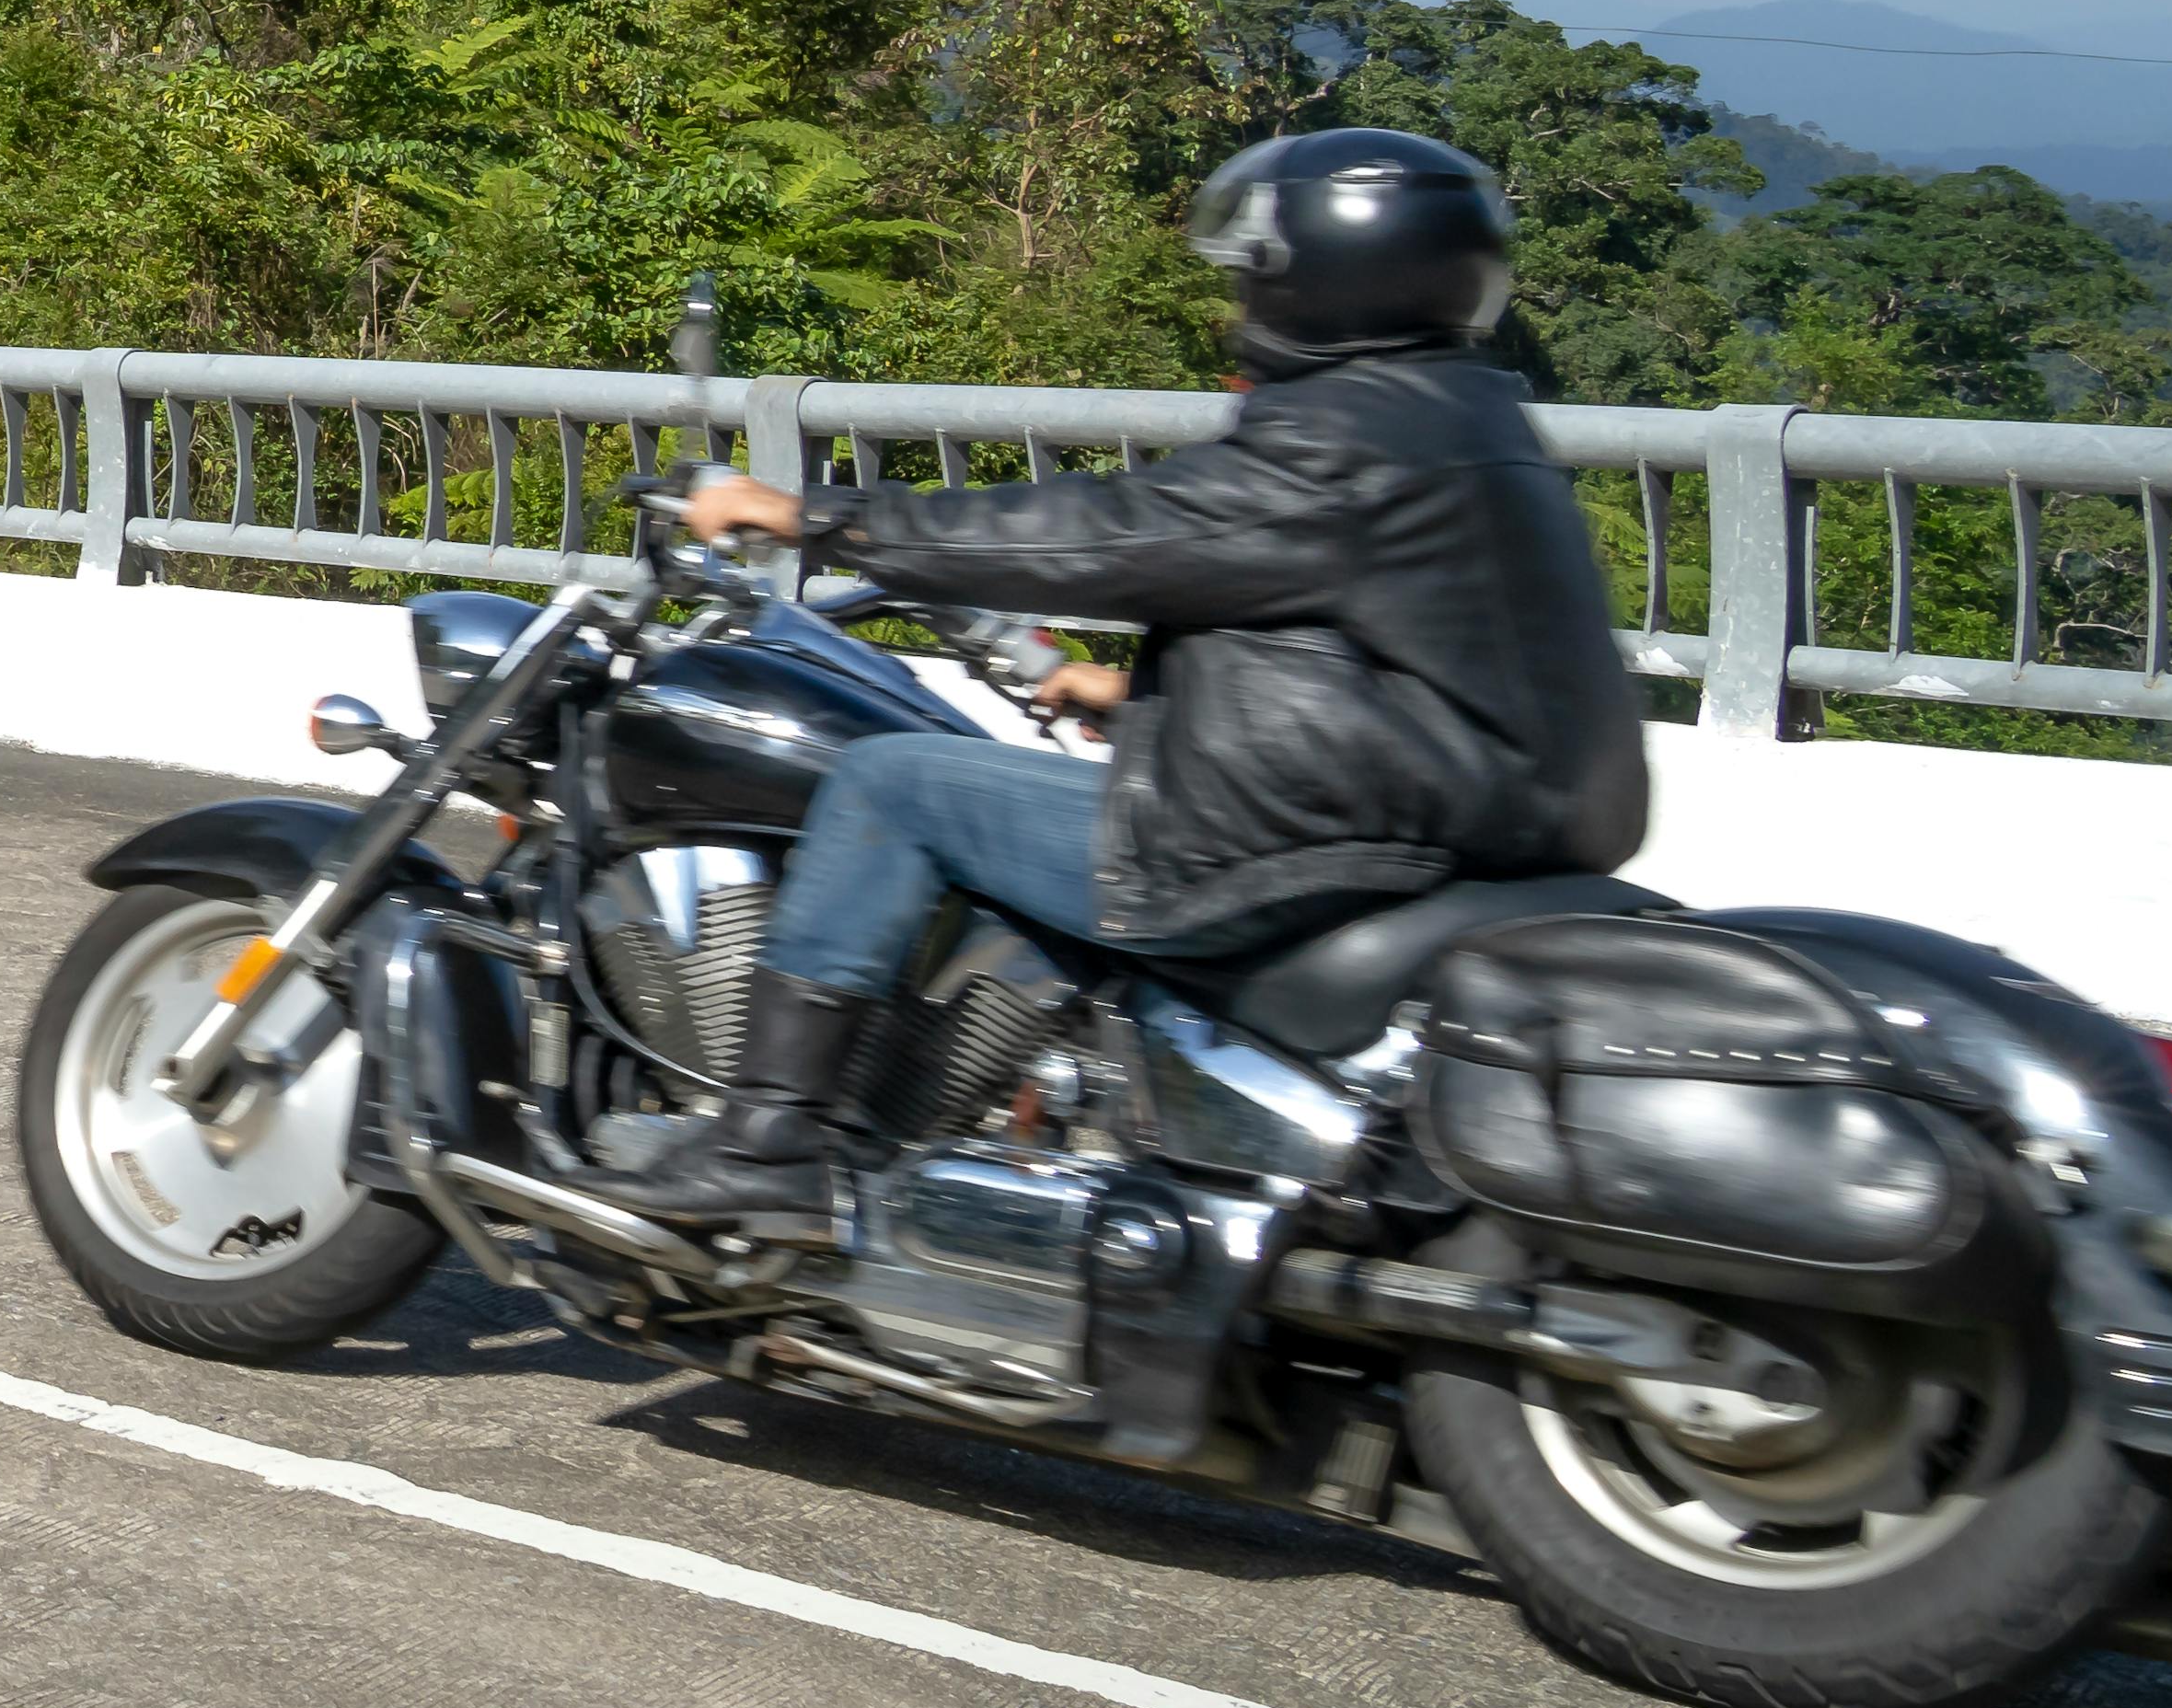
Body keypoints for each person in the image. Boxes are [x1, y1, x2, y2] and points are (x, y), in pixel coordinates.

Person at [594, 127, 1652, 1229]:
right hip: (1470, 825)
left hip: (1306, 847)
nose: (1236, 297)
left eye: (1249, 273)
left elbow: (1101, 534)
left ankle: (768, 1143)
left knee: (887, 783)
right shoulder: (1466, 413)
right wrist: (1132, 695)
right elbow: (1377, 638)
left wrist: (809, 515)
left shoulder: (1341, 430)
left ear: (1315, 282)